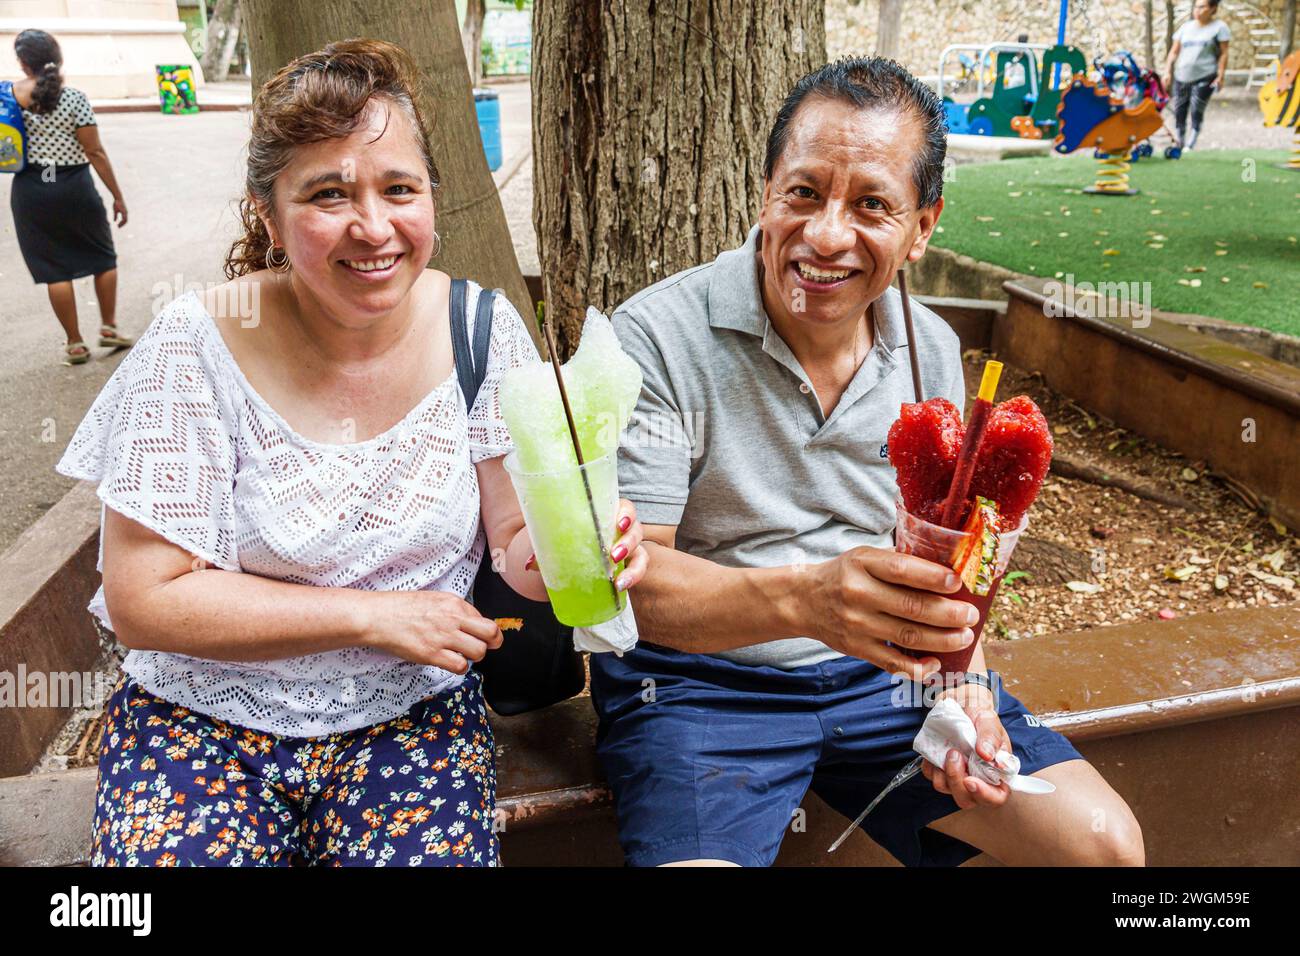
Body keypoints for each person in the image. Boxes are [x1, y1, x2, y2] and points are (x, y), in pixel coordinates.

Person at [56, 39, 648, 867]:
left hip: (412, 717)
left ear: (431, 202)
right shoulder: (197, 344)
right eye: (327, 194)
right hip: (199, 721)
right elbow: (144, 601)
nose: (373, 227)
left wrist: (579, 545)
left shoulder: (481, 331)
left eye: (399, 189)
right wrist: (375, 615)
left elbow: (516, 542)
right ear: (268, 215)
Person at [590, 57, 1145, 868]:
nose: (825, 235)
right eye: (804, 192)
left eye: (873, 205)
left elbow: (953, 565)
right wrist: (806, 602)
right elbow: (636, 588)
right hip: (700, 687)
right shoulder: (656, 338)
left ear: (923, 227)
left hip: (891, 680)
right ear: (766, 191)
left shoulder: (933, 352)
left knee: (1106, 848)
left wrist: (960, 692)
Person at [8, 29, 131, 365]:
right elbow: (95, 152)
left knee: (54, 270)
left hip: (32, 190)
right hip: (74, 187)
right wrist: (117, 196)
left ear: (22, 62)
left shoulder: (7, 96)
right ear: (56, 58)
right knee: (102, 257)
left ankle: (75, 343)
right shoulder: (74, 98)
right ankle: (108, 327)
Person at [1164, 0, 1231, 151]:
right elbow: (1174, 51)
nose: (1198, 10)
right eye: (1196, 7)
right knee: (1179, 110)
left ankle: (1191, 144)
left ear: (1213, 8)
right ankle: (1179, 141)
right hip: (1182, 75)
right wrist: (1167, 70)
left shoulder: (1220, 28)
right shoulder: (1185, 28)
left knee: (1196, 109)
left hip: (1206, 75)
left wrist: (1220, 75)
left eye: (1202, 7)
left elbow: (1224, 54)